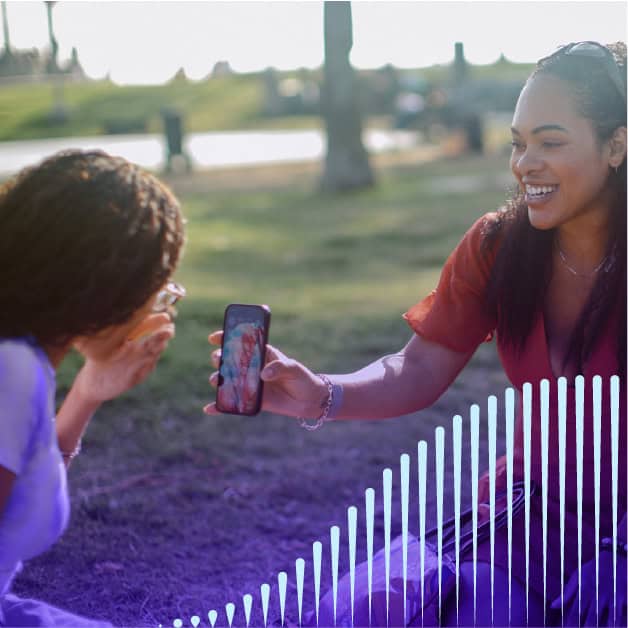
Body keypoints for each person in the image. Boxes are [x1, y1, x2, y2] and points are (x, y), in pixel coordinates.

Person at [206, 41, 627, 626]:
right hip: (540, 519)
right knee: (448, 612)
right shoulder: (498, 246)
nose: (525, 163)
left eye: (550, 142)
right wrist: (323, 393)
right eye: (518, 142)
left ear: (616, 145)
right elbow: (421, 365)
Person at [0, 150, 186, 626]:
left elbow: (22, 486)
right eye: (160, 292)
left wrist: (88, 392)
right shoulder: (12, 371)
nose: (161, 308)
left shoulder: (21, 361)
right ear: (110, 289)